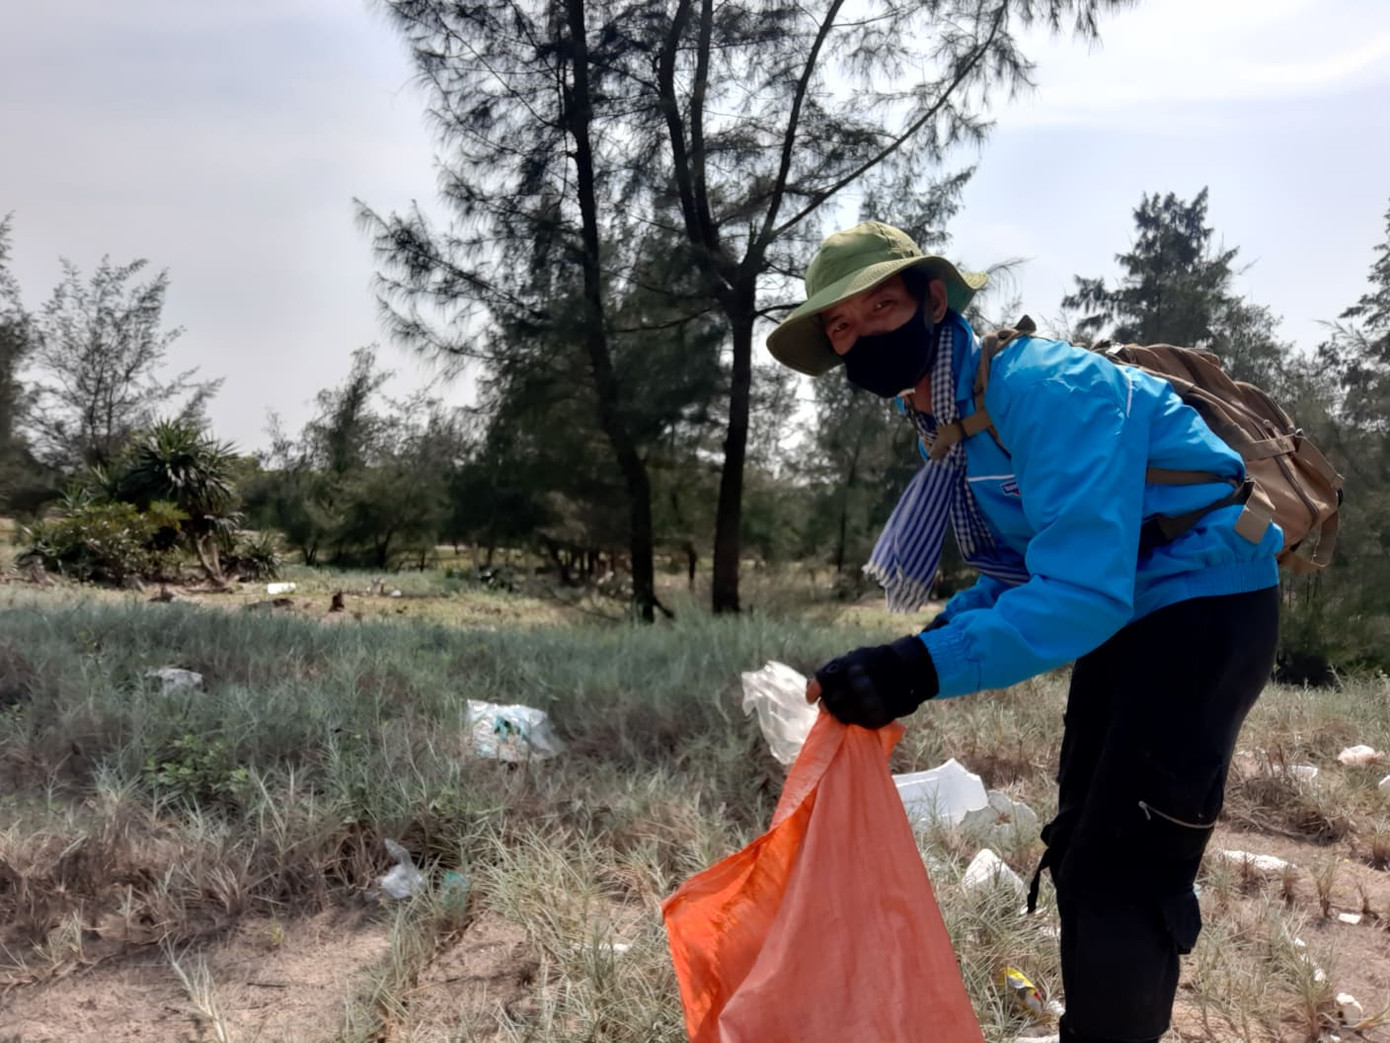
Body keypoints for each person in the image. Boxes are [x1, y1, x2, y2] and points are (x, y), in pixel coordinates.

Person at [766, 221, 1281, 1043]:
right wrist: (916, 648)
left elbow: (1081, 590)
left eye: (881, 307)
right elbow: (1021, 576)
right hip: (1135, 608)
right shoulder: (956, 423)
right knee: (1081, 835)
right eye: (840, 326)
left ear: (935, 302)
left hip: (1205, 607)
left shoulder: (1047, 392)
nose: (859, 334)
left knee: (1130, 861)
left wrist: (919, 666)